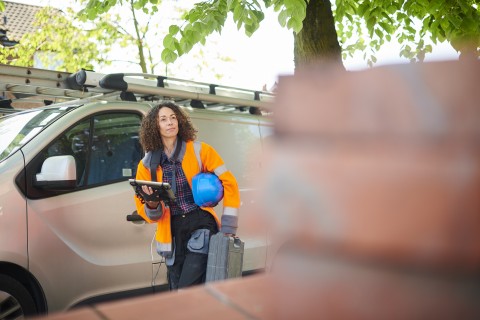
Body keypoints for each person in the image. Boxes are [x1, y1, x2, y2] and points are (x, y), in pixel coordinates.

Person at [134, 101, 240, 290]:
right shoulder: (146, 165)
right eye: (163, 119)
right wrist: (151, 204)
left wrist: (229, 225)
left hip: (201, 223)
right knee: (178, 290)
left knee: (185, 288)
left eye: (173, 117)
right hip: (172, 230)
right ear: (154, 126)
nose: (170, 122)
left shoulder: (201, 150)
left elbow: (229, 182)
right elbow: (149, 215)